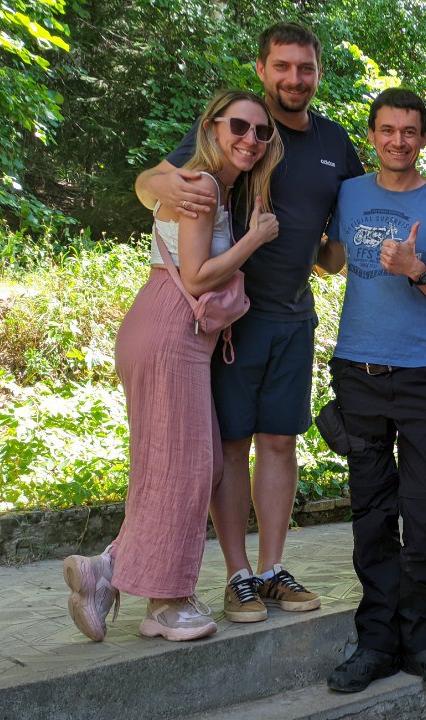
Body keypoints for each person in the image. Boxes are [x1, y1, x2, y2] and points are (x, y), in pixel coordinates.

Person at [134, 22, 362, 622]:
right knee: (231, 446)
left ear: (318, 71)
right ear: (262, 70)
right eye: (282, 67)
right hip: (229, 320)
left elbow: (347, 233)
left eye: (305, 67)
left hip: (295, 315)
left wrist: (418, 197)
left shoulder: (337, 144)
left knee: (282, 443)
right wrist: (151, 182)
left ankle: (271, 569)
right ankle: (237, 575)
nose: (295, 79)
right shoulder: (242, 128)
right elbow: (155, 180)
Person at [63, 89, 283, 642]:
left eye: (262, 132)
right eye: (239, 126)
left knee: (198, 465)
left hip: (172, 331)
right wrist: (254, 240)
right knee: (184, 468)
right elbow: (195, 276)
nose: (250, 139)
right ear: (211, 127)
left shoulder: (213, 186)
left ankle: (107, 571)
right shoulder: (204, 185)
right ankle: (166, 603)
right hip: (169, 330)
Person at [323, 88, 426, 693]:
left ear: (422, 137)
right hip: (357, 373)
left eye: (409, 131)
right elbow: (329, 257)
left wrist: (416, 270)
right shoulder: (349, 194)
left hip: (422, 379)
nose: (398, 141)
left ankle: (424, 640)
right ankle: (376, 643)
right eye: (387, 130)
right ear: (373, 135)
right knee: (371, 514)